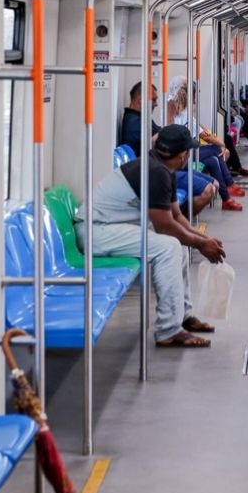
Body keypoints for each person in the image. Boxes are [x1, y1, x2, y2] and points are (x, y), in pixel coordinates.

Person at [78, 125, 225, 347]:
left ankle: (182, 316)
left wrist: (203, 240)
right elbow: (165, 227)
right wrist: (201, 245)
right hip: (96, 230)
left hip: (114, 226)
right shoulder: (155, 173)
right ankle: (168, 329)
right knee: (169, 246)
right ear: (183, 154)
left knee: (179, 245)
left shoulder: (161, 167)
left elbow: (176, 216)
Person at [119, 81, 216, 216]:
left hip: (161, 168)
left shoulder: (142, 119)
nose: (157, 103)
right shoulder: (135, 124)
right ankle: (179, 223)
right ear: (141, 99)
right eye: (154, 99)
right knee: (208, 189)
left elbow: (162, 134)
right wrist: (170, 117)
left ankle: (178, 221)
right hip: (153, 172)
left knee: (214, 183)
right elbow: (164, 141)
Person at [169, 78, 245, 211]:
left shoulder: (182, 111)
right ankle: (229, 185)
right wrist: (222, 145)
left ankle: (226, 198)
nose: (195, 100)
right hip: (181, 157)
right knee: (216, 149)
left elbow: (199, 128)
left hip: (186, 152)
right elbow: (203, 135)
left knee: (213, 160)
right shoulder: (182, 113)